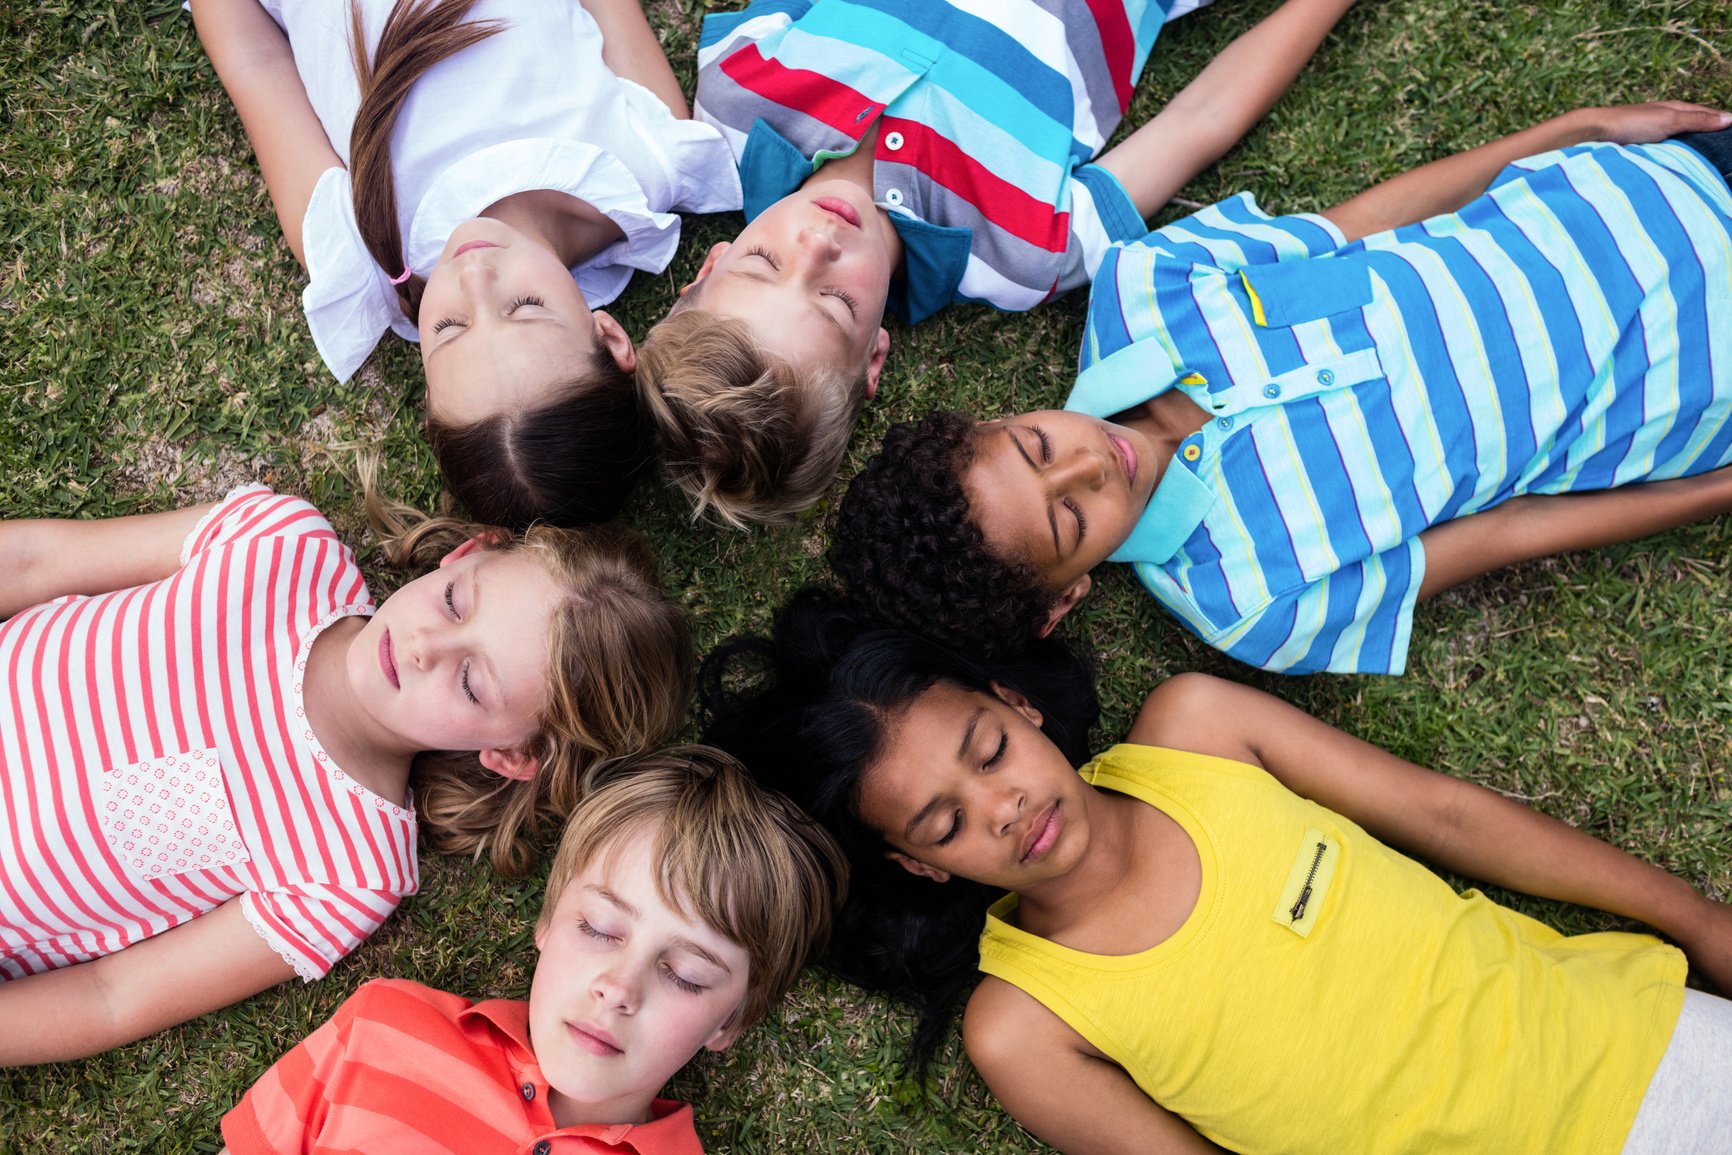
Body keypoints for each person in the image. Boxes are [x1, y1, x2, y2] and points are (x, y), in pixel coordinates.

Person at [700, 591, 1732, 1154]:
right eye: (946, 820)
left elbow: (1446, 814)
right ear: (916, 864)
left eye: (987, 750)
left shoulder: (1198, 731)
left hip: (1645, 1047)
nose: (1004, 806)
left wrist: (1695, 918)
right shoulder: (1023, 1026)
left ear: (1015, 703)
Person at [830, 104, 1732, 673]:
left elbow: (1366, 224)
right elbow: (1508, 533)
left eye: (1035, 447)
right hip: (1701, 377)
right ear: (1065, 600)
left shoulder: (1150, 282)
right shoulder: (1254, 603)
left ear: (997, 417)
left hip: (1642, 188)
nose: (1088, 466)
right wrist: (1716, 491)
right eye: (1070, 521)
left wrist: (1576, 130)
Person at [0, 484, 691, 1063]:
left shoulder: (349, 871)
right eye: (455, 601)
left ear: (511, 755)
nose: (425, 646)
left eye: (472, 683)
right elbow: (35, 562)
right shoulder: (279, 545)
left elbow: (112, 994)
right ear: (464, 552)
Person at [634, 0, 1362, 526]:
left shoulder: (734, 96)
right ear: (875, 359)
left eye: (763, 262)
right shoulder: (1021, 258)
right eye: (834, 302)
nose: (817, 245)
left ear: (709, 264)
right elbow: (1200, 121)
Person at [191, 0, 740, 526]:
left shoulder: (360, 257)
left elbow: (254, 63)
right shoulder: (650, 167)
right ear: (610, 336)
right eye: (525, 307)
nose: (474, 278)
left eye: (450, 328)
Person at [216, 746, 846, 1154]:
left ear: (731, 1019)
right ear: (547, 921)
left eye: (684, 974)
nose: (619, 989)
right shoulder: (384, 1024)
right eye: (599, 928)